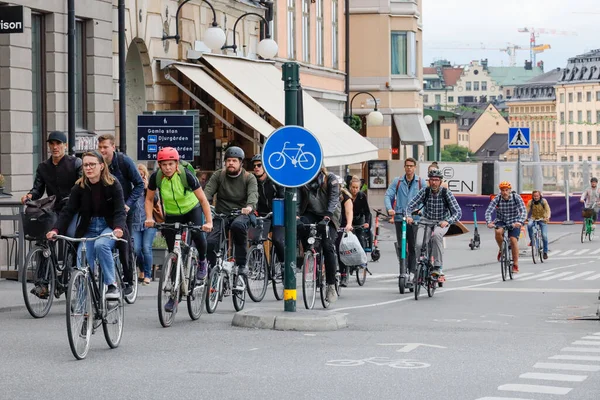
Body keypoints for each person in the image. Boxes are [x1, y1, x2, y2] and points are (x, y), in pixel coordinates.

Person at [46, 151, 126, 300]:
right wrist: (55, 229)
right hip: (88, 228)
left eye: (92, 164)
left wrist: (118, 228)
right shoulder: (79, 187)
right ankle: (82, 308)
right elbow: (68, 211)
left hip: (109, 226)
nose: (88, 168)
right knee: (82, 263)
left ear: (101, 166)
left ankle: (111, 285)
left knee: (101, 245)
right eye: (85, 165)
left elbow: (120, 211)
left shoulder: (113, 184)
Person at [144, 147, 213, 312]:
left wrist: (208, 221)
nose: (167, 168)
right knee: (173, 253)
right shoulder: (156, 177)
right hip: (173, 214)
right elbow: (149, 199)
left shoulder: (186, 176)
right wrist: (149, 218)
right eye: (164, 164)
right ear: (159, 166)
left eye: (170, 164)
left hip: (192, 209)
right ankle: (174, 296)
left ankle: (202, 262)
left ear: (176, 164)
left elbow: (203, 200)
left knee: (198, 235)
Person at [97, 134, 144, 290]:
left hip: (125, 210)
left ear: (113, 147)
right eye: (100, 147)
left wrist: (128, 204)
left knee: (124, 243)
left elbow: (139, 184)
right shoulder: (98, 163)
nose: (102, 150)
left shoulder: (124, 162)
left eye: (105, 147)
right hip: (106, 210)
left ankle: (128, 279)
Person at [203, 146, 258, 277]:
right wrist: (204, 202)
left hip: (241, 214)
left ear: (241, 163)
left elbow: (253, 194)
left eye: (234, 161)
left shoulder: (248, 178)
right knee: (210, 241)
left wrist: (249, 207)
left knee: (237, 226)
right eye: (228, 161)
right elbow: (208, 192)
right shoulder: (219, 175)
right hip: (222, 214)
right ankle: (212, 268)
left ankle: (241, 265)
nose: (231, 163)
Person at [21, 131, 82, 236]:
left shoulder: (76, 163)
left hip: (73, 209)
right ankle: (47, 252)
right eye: (52, 144)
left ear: (65, 145)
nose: (55, 147)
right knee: (46, 234)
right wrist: (29, 195)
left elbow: (81, 187)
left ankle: (72, 252)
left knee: (70, 234)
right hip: (53, 209)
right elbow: (38, 190)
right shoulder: (43, 167)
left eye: (58, 143)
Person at [406, 168, 462, 277]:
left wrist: (447, 221)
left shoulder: (446, 193)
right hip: (426, 221)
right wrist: (408, 216)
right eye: (431, 180)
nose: (434, 182)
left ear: (440, 181)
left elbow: (458, 212)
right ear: (429, 181)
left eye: (436, 180)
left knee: (437, 235)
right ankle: (420, 264)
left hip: (441, 222)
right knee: (418, 243)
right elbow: (410, 205)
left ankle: (437, 266)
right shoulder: (425, 191)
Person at [297, 168, 341, 302]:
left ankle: (331, 285)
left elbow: (334, 199)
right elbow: (298, 201)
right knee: (302, 228)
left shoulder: (330, 179)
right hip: (311, 213)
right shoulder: (302, 180)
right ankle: (309, 255)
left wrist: (327, 217)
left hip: (330, 215)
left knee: (328, 246)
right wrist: (297, 216)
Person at [384, 157, 427, 283]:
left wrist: (420, 211)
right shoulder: (398, 181)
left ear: (415, 167)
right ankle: (403, 271)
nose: (409, 168)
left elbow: (425, 199)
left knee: (413, 246)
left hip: (414, 219)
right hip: (400, 218)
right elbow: (388, 195)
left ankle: (413, 271)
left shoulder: (420, 182)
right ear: (404, 167)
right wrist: (389, 208)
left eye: (411, 166)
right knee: (402, 245)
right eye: (407, 165)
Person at [250, 154, 285, 266]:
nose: (256, 167)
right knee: (256, 239)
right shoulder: (252, 181)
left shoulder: (275, 180)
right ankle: (260, 266)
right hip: (262, 215)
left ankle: (283, 263)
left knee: (277, 240)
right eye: (254, 165)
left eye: (259, 165)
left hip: (277, 214)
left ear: (265, 167)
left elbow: (283, 196)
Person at [485, 181, 526, 273]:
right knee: (498, 232)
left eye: (506, 190)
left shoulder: (516, 197)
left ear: (510, 190)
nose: (504, 192)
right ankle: (502, 249)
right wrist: (488, 222)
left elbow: (523, 210)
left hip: (514, 221)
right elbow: (488, 211)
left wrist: (520, 221)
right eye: (502, 190)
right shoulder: (497, 198)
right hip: (501, 220)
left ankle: (515, 264)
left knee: (513, 240)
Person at [132, 164, 158, 285]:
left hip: (149, 221)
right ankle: (142, 269)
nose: (140, 177)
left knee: (146, 248)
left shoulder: (150, 186)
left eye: (142, 174)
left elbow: (156, 199)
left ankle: (147, 275)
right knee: (137, 249)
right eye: (138, 174)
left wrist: (147, 188)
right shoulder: (132, 187)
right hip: (135, 222)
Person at [336, 178, 354, 287]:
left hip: (342, 225)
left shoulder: (345, 197)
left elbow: (349, 211)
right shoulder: (327, 194)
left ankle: (343, 274)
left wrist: (349, 224)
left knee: (340, 249)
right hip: (331, 223)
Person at [526, 190, 550, 260]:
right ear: (532, 196)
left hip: (543, 218)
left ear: (540, 196)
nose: (536, 197)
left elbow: (548, 210)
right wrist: (525, 218)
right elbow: (526, 210)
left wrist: (547, 217)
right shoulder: (530, 202)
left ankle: (545, 252)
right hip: (534, 218)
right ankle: (532, 240)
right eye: (534, 196)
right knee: (529, 225)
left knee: (544, 236)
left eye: (537, 196)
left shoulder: (544, 201)